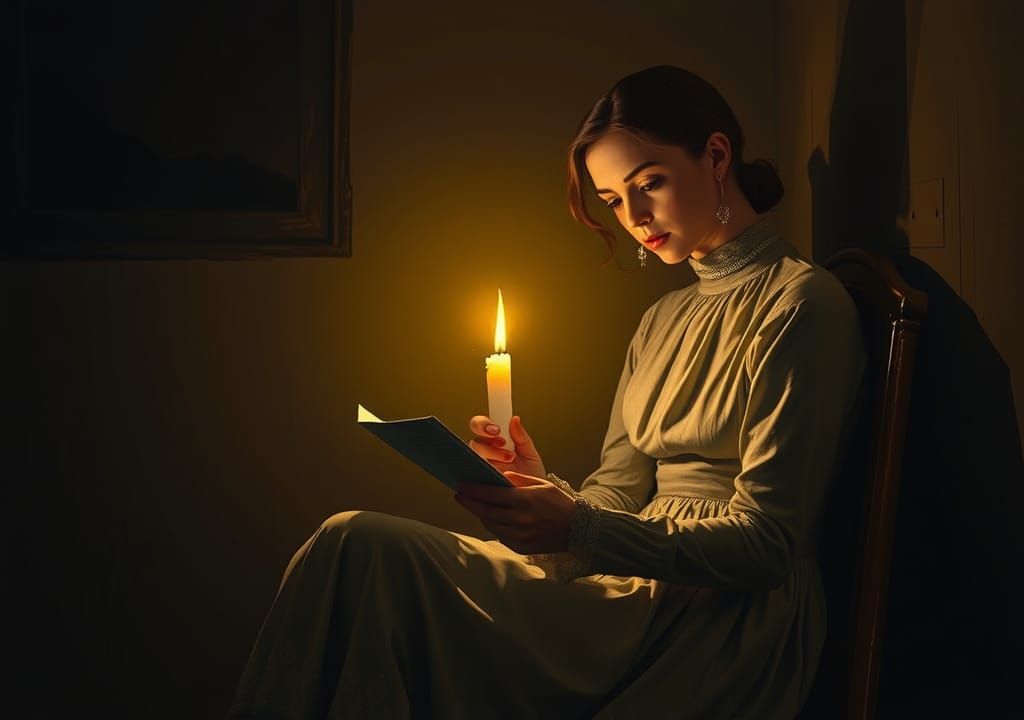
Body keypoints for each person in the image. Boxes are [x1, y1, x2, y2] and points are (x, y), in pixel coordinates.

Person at [230, 65, 866, 719]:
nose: (635, 218)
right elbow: (617, 493)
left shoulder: (801, 305)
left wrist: (578, 526)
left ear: (716, 156)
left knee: (365, 550)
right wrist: (541, 491)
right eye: (613, 200)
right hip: (635, 579)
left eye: (649, 183)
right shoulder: (662, 319)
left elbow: (767, 545)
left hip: (719, 617)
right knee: (351, 542)